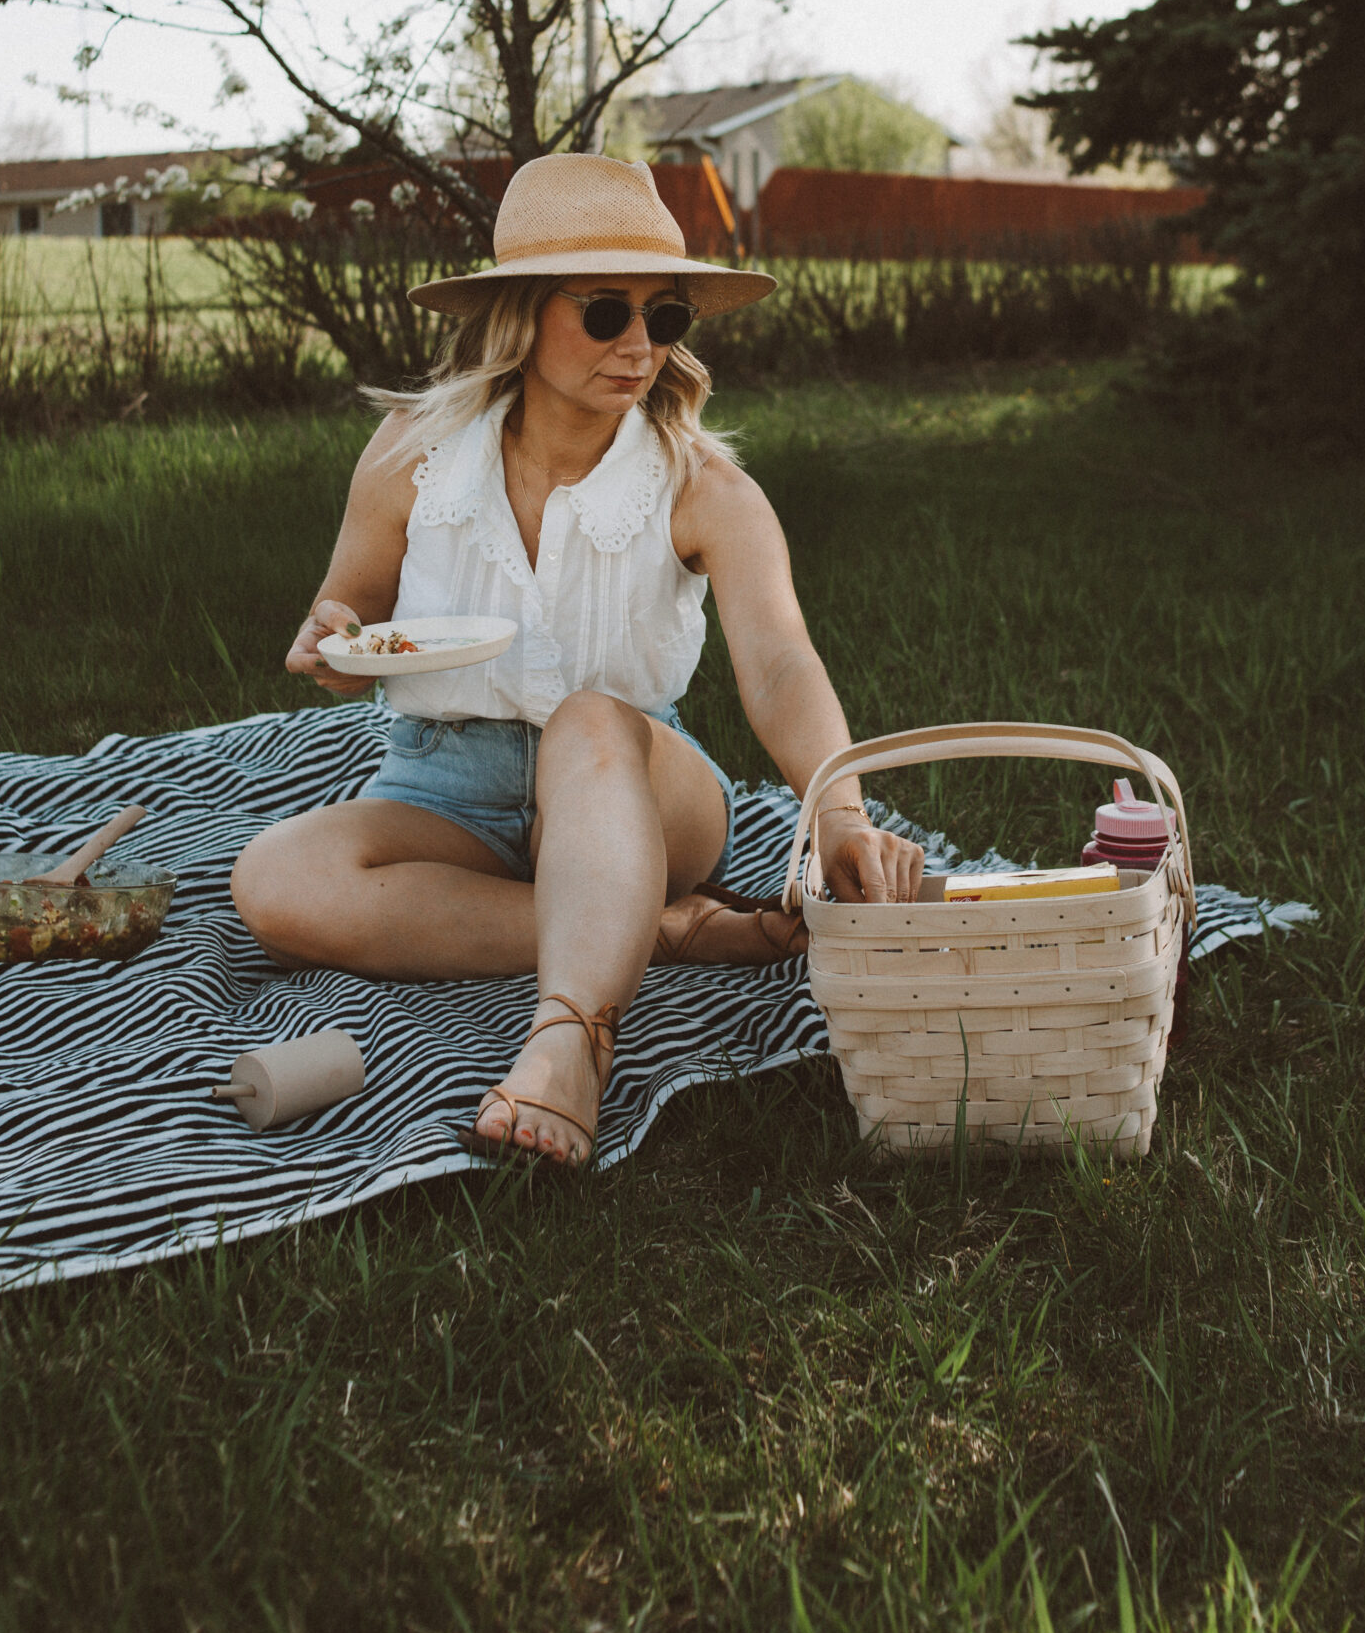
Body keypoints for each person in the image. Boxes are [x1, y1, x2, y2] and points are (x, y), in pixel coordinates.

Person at [231, 154, 926, 1166]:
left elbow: (780, 667)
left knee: (590, 718)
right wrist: (331, 652)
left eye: (666, 317)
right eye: (607, 312)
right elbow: (349, 619)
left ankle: (571, 1038)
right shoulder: (410, 453)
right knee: (273, 881)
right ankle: (665, 928)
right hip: (445, 781)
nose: (640, 345)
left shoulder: (701, 485)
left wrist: (841, 809)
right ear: (522, 310)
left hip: (638, 782)